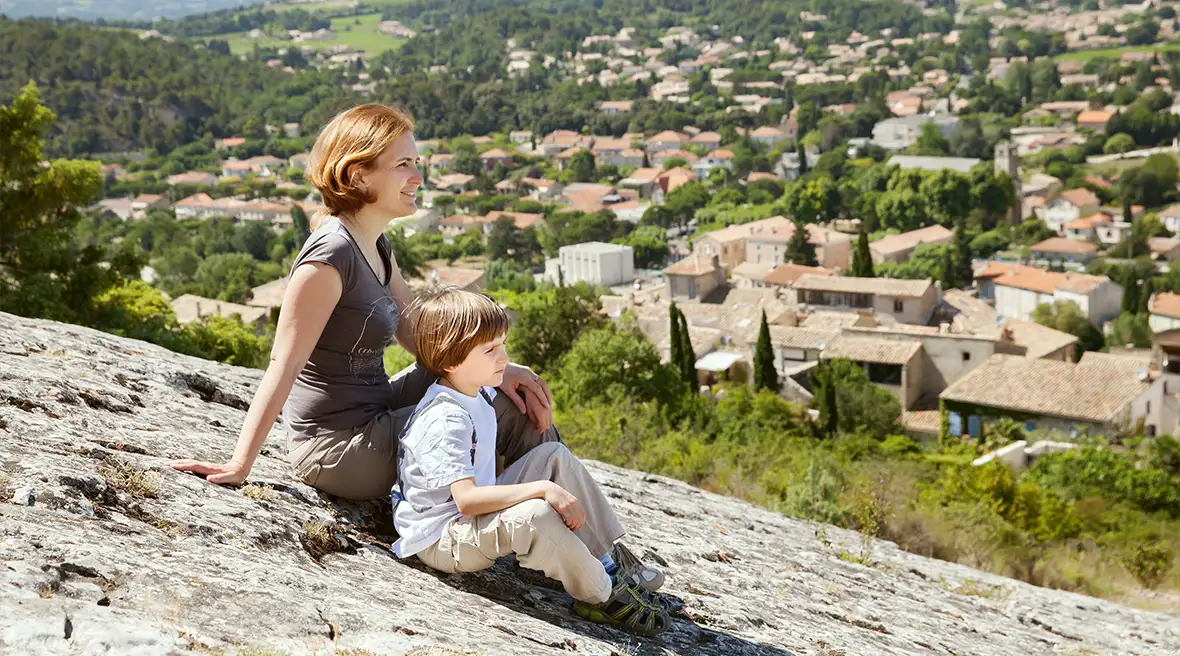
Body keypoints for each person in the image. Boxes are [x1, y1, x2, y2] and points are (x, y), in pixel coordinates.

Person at [166, 104, 556, 499]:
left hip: (377, 412)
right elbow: (283, 364)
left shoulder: (376, 243)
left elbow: (413, 332)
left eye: (416, 161)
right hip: (338, 447)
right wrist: (239, 465)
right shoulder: (330, 258)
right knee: (492, 408)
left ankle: (548, 525)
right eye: (403, 164)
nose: (418, 177)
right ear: (358, 174)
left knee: (507, 393)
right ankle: (551, 530)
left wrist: (496, 366)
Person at [393, 287, 669, 636]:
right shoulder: (445, 419)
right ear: (451, 361)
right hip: (442, 539)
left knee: (553, 456)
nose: (504, 358)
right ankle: (600, 594)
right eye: (490, 349)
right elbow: (465, 501)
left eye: (503, 344)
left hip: (467, 519)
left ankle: (607, 562)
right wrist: (541, 489)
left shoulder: (473, 390)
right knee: (535, 514)